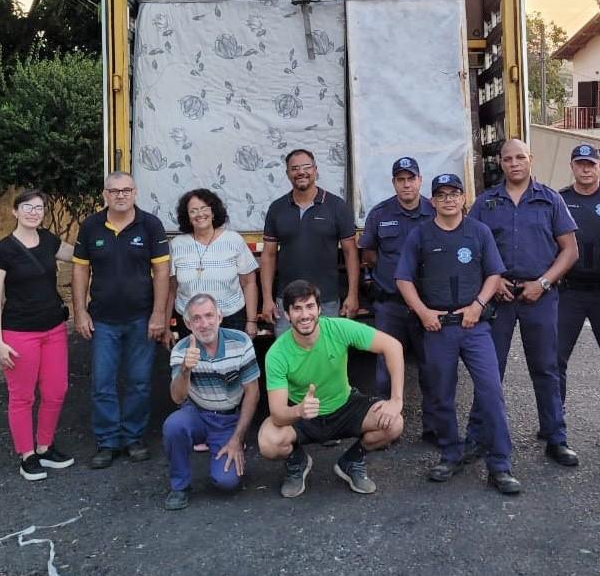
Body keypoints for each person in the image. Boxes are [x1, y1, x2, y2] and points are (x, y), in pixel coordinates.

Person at [396, 173, 522, 494]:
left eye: (454, 194)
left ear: (464, 198)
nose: (448, 200)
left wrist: (479, 305)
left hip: (474, 326)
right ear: (433, 201)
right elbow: (403, 279)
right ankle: (450, 454)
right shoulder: (420, 235)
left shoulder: (479, 232)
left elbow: (494, 274)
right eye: (441, 195)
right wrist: (423, 312)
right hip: (438, 327)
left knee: (491, 392)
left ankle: (500, 465)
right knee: (441, 396)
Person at [466, 139, 581, 468]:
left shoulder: (551, 199)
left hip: (539, 295)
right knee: (490, 370)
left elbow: (570, 251)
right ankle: (477, 437)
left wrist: (543, 283)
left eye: (520, 157)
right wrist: (494, 280)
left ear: (530, 159)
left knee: (546, 368)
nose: (514, 163)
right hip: (499, 297)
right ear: (500, 163)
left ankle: (556, 438)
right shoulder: (486, 203)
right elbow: (472, 248)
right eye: (508, 159)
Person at [257, 280, 404, 498]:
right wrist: (299, 410)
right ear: (287, 315)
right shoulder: (277, 354)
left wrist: (396, 400)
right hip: (304, 414)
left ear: (319, 309)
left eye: (310, 306)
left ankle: (352, 460)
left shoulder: (338, 328)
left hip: (344, 405)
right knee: (268, 442)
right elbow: (278, 414)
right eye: (297, 309)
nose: (304, 315)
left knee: (394, 424)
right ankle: (297, 461)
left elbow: (392, 346)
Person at [72, 171, 171, 469]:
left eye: (126, 190)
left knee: (139, 382)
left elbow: (162, 272)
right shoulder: (90, 226)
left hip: (141, 318)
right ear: (105, 194)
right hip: (102, 320)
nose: (120, 195)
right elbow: (80, 270)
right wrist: (80, 311)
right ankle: (107, 442)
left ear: (135, 192)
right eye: (114, 191)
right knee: (103, 383)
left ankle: (133, 438)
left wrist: (158, 314)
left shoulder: (150, 225)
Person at [0, 189, 76, 481]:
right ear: (15, 211)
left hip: (53, 329)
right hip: (19, 332)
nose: (33, 212)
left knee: (56, 390)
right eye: (27, 207)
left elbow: (79, 255)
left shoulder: (48, 240)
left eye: (39, 208)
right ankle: (27, 455)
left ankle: (45, 446)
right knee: (22, 396)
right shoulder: (2, 250)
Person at [556, 144, 600, 444]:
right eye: (580, 164)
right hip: (568, 292)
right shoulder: (560, 200)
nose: (586, 169)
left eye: (591, 164)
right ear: (572, 166)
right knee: (554, 360)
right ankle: (553, 423)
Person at [358, 157, 435, 439]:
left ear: (420, 180)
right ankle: (385, 429)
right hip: (390, 304)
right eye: (400, 180)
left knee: (431, 367)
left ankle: (434, 428)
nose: (406, 184)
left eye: (411, 178)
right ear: (393, 183)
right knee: (385, 371)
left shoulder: (435, 211)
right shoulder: (380, 214)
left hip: (427, 306)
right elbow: (369, 254)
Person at [162, 293, 260, 511]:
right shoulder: (181, 349)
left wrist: (237, 438)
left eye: (209, 316)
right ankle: (180, 486)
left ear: (220, 317)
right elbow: (177, 397)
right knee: (174, 425)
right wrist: (186, 369)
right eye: (196, 318)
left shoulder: (241, 342)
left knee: (226, 483)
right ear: (188, 323)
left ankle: (233, 449)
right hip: (197, 412)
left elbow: (252, 393)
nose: (204, 324)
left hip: (228, 418)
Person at [259, 149, 359, 332]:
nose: (301, 172)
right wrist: (267, 299)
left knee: (327, 348)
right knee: (288, 350)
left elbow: (350, 253)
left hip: (326, 300)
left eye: (306, 167)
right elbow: (268, 255)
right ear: (287, 173)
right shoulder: (277, 208)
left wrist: (353, 295)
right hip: (287, 302)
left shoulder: (337, 206)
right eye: (295, 168)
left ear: (315, 170)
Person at [165, 189, 259, 344]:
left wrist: (251, 321)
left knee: (232, 359)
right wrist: (166, 326)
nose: (199, 214)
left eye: (204, 208)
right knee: (194, 359)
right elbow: (171, 289)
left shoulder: (233, 240)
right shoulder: (176, 245)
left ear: (213, 212)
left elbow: (249, 283)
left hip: (230, 318)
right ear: (187, 217)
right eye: (193, 211)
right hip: (190, 322)